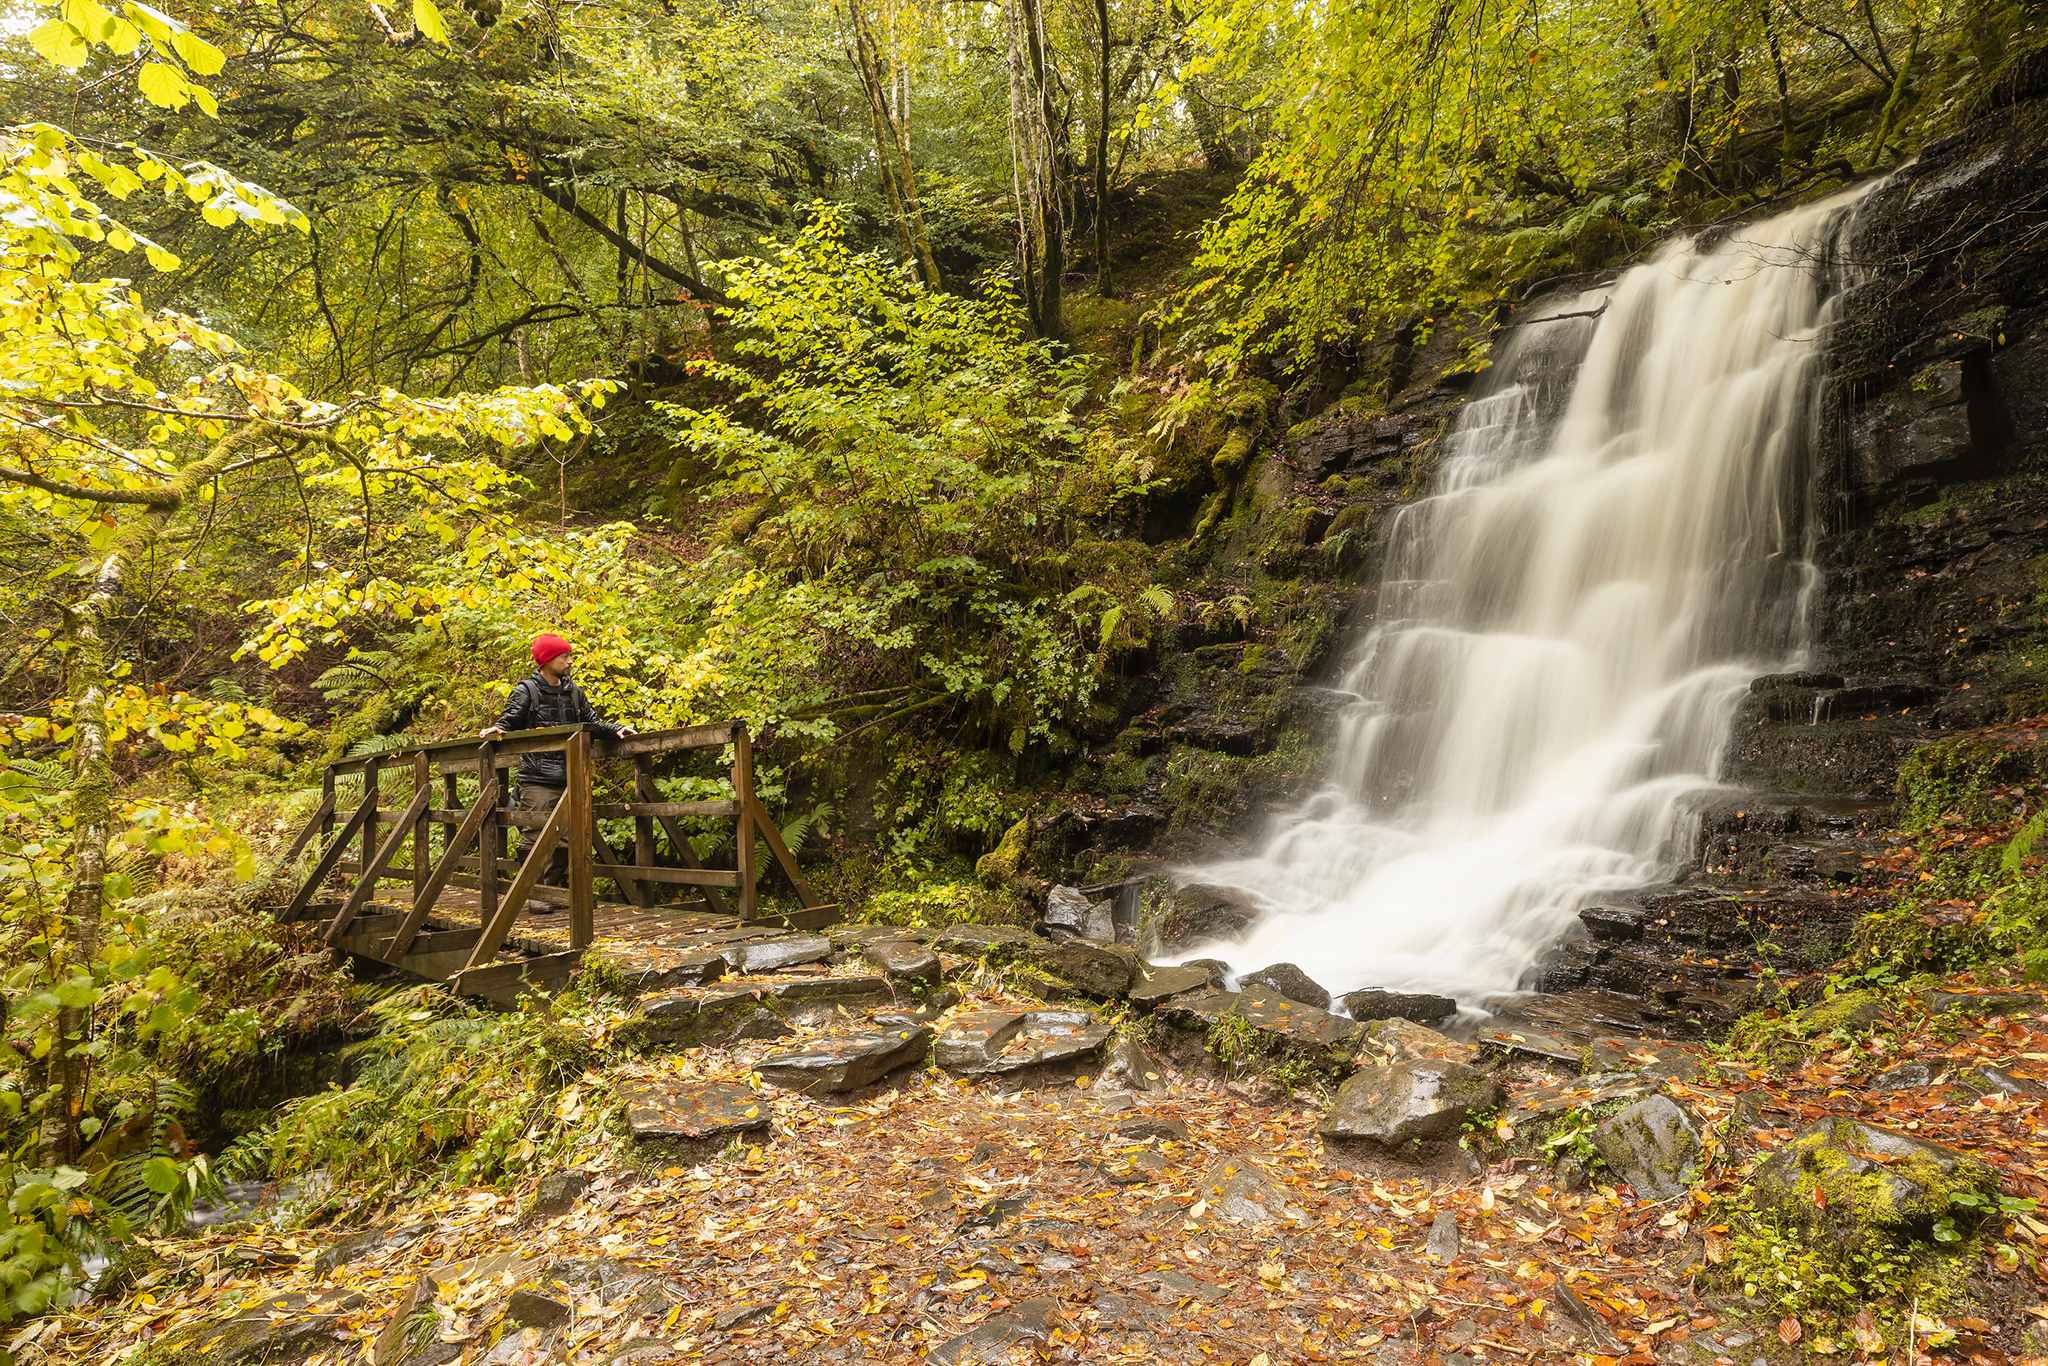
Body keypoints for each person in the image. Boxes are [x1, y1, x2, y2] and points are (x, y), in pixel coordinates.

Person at [479, 633, 633, 903]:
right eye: (564, 656)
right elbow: (510, 721)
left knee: (567, 838)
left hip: (571, 774)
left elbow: (591, 722)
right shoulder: (526, 691)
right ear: (548, 659)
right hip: (537, 778)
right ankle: (534, 893)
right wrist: (498, 729)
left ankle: (553, 892)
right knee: (535, 835)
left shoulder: (574, 692)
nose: (569, 661)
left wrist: (615, 729)